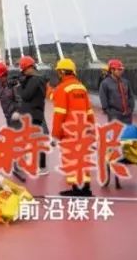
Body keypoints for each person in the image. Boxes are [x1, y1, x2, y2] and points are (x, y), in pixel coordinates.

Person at [51, 58, 95, 196]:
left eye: (59, 72)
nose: (58, 74)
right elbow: (89, 111)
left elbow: (60, 114)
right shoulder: (81, 87)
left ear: (62, 72)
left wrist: (55, 135)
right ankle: (86, 188)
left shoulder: (62, 89)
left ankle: (77, 189)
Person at [13, 55, 49, 175]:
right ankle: (38, 165)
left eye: (23, 70)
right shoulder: (37, 78)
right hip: (35, 112)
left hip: (34, 113)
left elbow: (26, 95)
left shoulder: (35, 79)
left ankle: (41, 167)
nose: (23, 73)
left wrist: (18, 88)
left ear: (28, 68)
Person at [99, 59, 135, 124]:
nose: (121, 71)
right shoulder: (105, 83)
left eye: (121, 69)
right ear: (112, 70)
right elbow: (103, 99)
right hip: (114, 116)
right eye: (119, 69)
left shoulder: (126, 82)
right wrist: (110, 112)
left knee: (127, 133)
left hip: (127, 116)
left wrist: (131, 109)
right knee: (116, 133)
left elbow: (131, 96)